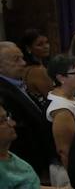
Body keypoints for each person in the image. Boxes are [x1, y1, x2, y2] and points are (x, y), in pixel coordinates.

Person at [0, 42, 55, 179]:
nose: (23, 63)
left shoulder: (18, 84)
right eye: (16, 60)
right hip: (27, 162)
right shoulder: (2, 92)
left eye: (22, 58)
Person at [45, 55, 75, 170]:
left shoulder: (67, 97)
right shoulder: (62, 110)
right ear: (60, 78)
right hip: (66, 169)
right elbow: (64, 150)